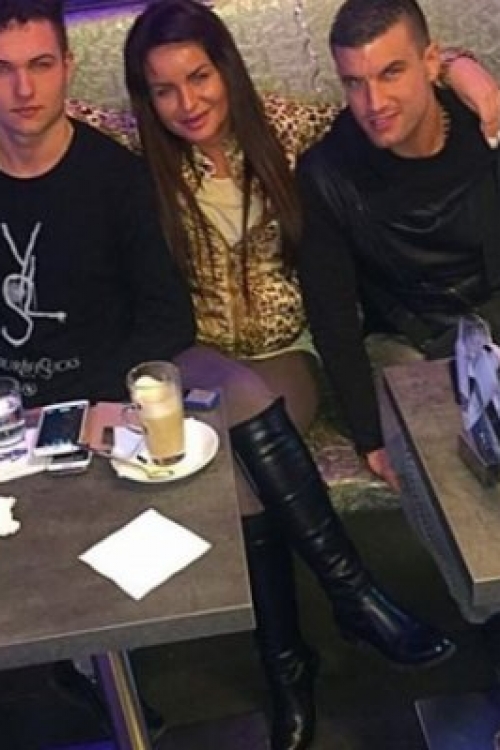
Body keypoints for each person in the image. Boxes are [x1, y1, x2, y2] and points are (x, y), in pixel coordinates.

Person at [118, 2, 500, 747]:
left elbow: (391, 88)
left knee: (251, 435)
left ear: (228, 69)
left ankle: (296, 658)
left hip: (285, 354)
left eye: (200, 77)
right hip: (198, 358)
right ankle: (331, 622)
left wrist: (469, 72)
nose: (187, 102)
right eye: (164, 89)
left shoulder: (289, 134)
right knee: (243, 451)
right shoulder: (137, 160)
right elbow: (44, 118)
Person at [0, 0, 195, 743]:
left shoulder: (116, 178)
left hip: (89, 413)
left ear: (68, 68)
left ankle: (91, 682)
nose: (23, 89)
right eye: (3, 70)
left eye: (40, 65)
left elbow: (167, 316)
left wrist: (100, 398)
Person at [295, 0, 500, 649]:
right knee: (425, 439)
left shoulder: (485, 127)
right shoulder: (328, 172)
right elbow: (331, 314)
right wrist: (368, 431)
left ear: (431, 62)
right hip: (405, 338)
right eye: (354, 82)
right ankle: (491, 616)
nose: (373, 102)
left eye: (390, 73)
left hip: (492, 319)